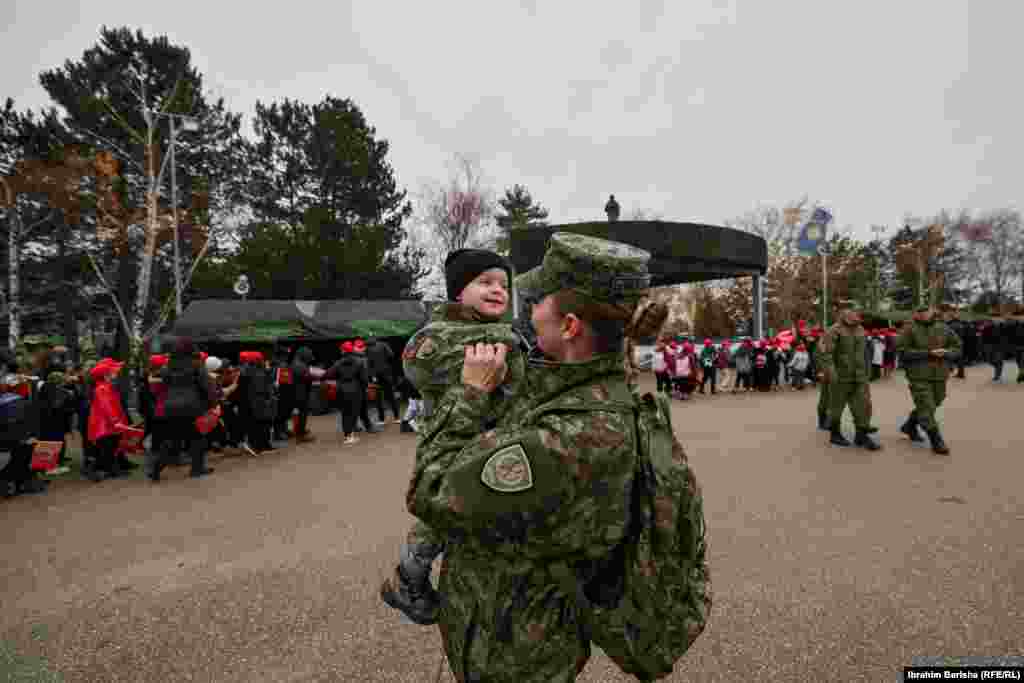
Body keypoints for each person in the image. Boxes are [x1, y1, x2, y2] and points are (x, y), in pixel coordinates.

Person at [405, 232, 660, 682]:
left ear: (570, 326)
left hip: (511, 642)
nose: (525, 306)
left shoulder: (557, 438)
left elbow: (431, 490)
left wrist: (470, 393)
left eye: (538, 299)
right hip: (525, 628)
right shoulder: (604, 392)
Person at [381, 248, 526, 624]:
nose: (498, 290)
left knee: (471, 511)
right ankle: (409, 574)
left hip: (496, 439)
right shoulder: (440, 336)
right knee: (449, 510)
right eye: (485, 282)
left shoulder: (503, 334)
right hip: (459, 440)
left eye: (504, 284)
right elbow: (416, 363)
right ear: (459, 292)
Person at [896, 305, 962, 455]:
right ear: (916, 314)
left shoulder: (943, 328)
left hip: (940, 374)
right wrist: (928, 353)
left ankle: (910, 425)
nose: (923, 314)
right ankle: (936, 439)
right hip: (918, 375)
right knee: (926, 406)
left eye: (926, 311)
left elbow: (958, 346)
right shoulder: (909, 329)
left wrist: (947, 353)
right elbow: (902, 351)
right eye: (920, 312)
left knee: (935, 402)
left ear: (931, 312)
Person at [815, 305, 881, 450]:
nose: (855, 316)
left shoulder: (861, 330)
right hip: (840, 376)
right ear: (844, 315)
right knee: (836, 407)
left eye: (856, 314)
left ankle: (861, 436)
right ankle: (835, 434)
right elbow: (825, 354)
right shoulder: (834, 330)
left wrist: (868, 372)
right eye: (851, 313)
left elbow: (866, 353)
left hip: (859, 376)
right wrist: (831, 373)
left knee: (862, 406)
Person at [150, 338, 214, 481]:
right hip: (192, 406)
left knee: (172, 438)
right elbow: (206, 386)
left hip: (171, 406)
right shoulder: (196, 364)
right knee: (198, 438)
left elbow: (163, 381)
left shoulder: (168, 366)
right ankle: (197, 469)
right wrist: (211, 403)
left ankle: (157, 466)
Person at [87, 357, 130, 479]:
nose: (116, 374)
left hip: (107, 424)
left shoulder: (104, 387)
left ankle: (108, 469)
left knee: (109, 447)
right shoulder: (103, 388)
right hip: (106, 424)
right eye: (113, 372)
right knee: (108, 447)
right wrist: (116, 421)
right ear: (106, 375)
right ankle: (106, 469)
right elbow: (107, 407)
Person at [324, 342, 367, 445]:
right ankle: (350, 434)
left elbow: (328, 374)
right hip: (356, 390)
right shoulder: (359, 362)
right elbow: (364, 379)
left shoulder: (338, 363)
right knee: (354, 413)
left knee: (345, 413)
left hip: (342, 390)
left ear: (343, 351)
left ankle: (348, 435)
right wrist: (363, 388)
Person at [367, 337, 401, 425]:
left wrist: (372, 375)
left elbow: (368, 363)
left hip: (376, 376)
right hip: (386, 373)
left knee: (378, 398)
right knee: (391, 396)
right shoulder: (384, 345)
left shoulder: (368, 348)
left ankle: (381, 419)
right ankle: (397, 417)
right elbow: (391, 355)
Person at [288, 347, 318, 443]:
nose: (310, 360)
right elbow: (307, 377)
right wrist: (318, 376)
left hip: (298, 392)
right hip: (300, 393)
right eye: (309, 357)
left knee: (300, 413)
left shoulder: (297, 363)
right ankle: (300, 435)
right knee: (302, 413)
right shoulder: (299, 365)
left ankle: (300, 431)